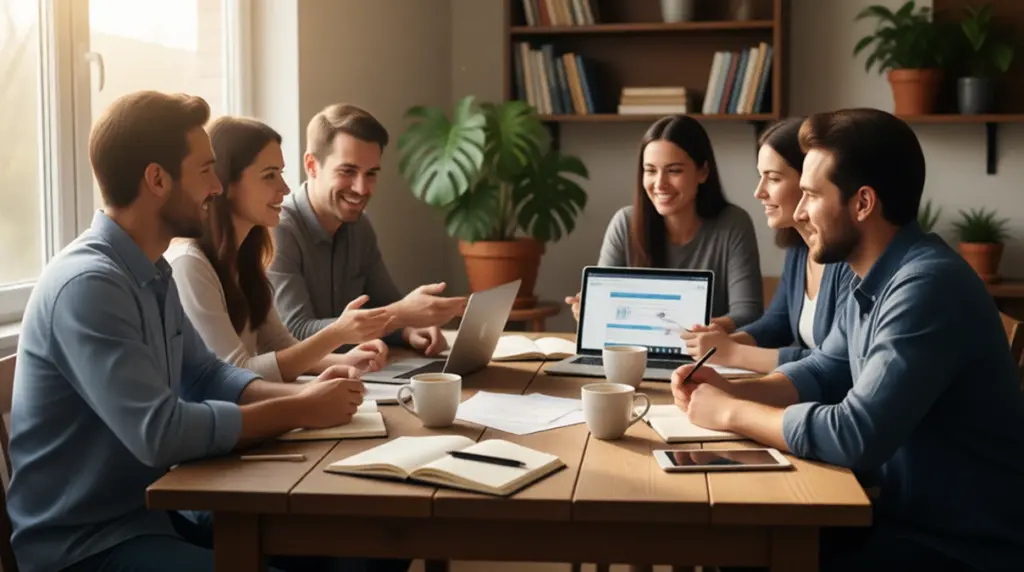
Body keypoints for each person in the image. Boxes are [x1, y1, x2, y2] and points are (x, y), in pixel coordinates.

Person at [6, 90, 407, 572]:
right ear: (157, 179)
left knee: (370, 548)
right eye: (204, 171)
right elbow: (161, 433)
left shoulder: (152, 271)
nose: (216, 187)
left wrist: (304, 400)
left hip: (157, 515)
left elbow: (207, 376)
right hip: (89, 545)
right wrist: (297, 408)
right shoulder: (90, 286)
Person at [672, 108, 1024, 571]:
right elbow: (826, 368)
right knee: (734, 543)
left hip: (955, 545)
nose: (798, 212)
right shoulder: (874, 277)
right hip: (895, 515)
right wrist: (730, 388)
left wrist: (732, 412)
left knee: (741, 549)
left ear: (862, 203)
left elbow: (855, 434)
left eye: (812, 195)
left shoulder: (925, 287)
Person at [166, 116, 393, 383]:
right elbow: (235, 373)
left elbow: (278, 344)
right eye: (269, 176)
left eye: (281, 174)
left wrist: (345, 359)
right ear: (226, 183)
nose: (284, 189)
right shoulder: (189, 264)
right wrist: (336, 335)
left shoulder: (245, 256)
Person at [268, 103, 466, 356]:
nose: (362, 189)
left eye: (371, 173)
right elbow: (295, 333)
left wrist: (407, 331)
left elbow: (385, 305)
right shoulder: (279, 230)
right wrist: (402, 315)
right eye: (348, 171)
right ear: (312, 165)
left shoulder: (359, 226)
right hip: (304, 384)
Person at [680, 117, 856, 372]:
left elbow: (834, 360)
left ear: (809, 180)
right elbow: (777, 322)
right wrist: (722, 341)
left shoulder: (848, 259)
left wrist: (733, 352)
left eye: (773, 178)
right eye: (760, 177)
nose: (759, 191)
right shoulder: (800, 249)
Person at [565, 115, 763, 332]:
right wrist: (591, 307)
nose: (660, 184)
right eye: (650, 170)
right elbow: (606, 305)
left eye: (674, 171)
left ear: (703, 172)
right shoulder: (625, 223)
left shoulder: (733, 224)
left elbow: (748, 313)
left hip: (705, 357)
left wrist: (692, 331)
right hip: (633, 355)